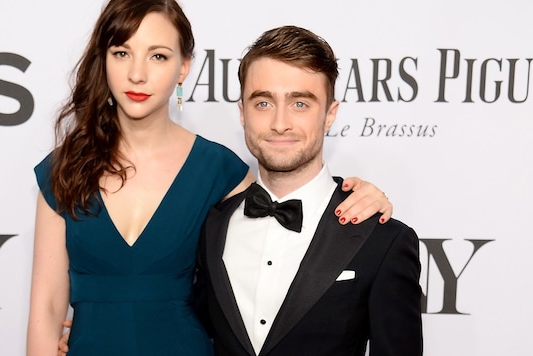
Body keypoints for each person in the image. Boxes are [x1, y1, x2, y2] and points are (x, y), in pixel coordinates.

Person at [27, 1, 393, 355]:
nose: (137, 73)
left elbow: (294, 209)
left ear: (183, 68)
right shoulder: (63, 170)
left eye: (158, 56)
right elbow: (46, 308)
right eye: (122, 53)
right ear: (103, 60)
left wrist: (364, 195)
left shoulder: (223, 172)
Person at [197, 25, 423, 356]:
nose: (280, 122)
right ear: (242, 112)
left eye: (300, 104)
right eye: (263, 103)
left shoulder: (383, 240)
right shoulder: (210, 226)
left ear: (330, 114)